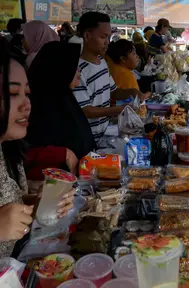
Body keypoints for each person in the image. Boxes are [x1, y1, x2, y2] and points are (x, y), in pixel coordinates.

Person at [0, 38, 74, 258]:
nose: (27, 104)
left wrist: (42, 203)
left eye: (27, 93)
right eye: (13, 94)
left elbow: (10, 207)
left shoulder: (8, 149)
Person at [25, 42, 95, 188]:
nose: (79, 71)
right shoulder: (33, 105)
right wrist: (61, 153)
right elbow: (22, 152)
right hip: (49, 192)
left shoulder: (64, 98)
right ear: (60, 67)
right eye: (74, 65)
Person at [73, 12, 141, 145]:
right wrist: (119, 109)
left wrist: (133, 92)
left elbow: (113, 91)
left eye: (109, 37)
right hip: (88, 139)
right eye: (103, 37)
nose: (107, 42)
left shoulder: (102, 62)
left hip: (105, 134)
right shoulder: (77, 70)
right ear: (87, 36)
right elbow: (85, 110)